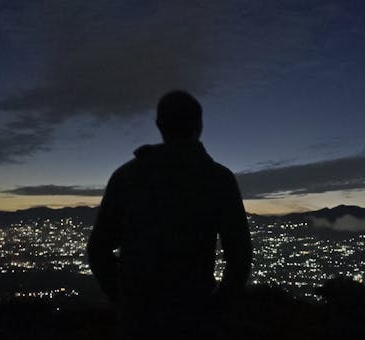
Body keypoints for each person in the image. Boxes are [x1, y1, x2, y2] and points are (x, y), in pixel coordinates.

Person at [87, 90, 253, 339]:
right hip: (195, 317)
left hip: (137, 321)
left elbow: (99, 249)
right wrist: (217, 307)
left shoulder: (127, 176)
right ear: (199, 126)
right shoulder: (218, 179)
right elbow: (240, 256)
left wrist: (124, 298)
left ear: (159, 126)